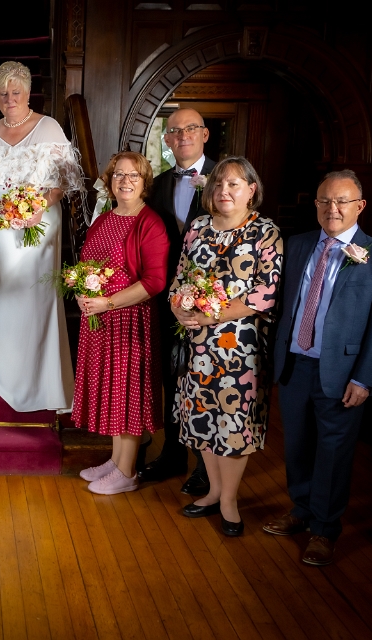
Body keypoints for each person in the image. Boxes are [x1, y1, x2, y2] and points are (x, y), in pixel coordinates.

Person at [264, 170, 372, 566]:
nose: (332, 208)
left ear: (359, 206)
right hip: (294, 365)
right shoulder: (297, 244)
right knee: (297, 445)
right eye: (325, 201)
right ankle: (301, 509)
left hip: (342, 373)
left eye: (342, 201)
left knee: (333, 452)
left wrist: (364, 378)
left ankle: (324, 529)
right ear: (316, 204)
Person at [171, 156, 282, 536]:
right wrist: (178, 307)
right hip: (197, 346)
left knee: (234, 423)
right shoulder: (198, 227)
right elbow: (180, 276)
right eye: (218, 183)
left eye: (234, 184)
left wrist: (209, 317)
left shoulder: (265, 231)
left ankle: (230, 501)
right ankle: (214, 491)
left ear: (251, 190)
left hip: (240, 350)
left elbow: (264, 294)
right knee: (203, 418)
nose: (224, 190)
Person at [0, 61, 81, 412]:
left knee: (37, 299)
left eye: (15, 91)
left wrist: (40, 206)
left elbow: (64, 181)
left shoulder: (48, 127)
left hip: (40, 222)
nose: (9, 98)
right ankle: (9, 378)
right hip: (0, 227)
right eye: (3, 93)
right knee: (5, 301)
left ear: (28, 92)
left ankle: (42, 383)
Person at [74, 152, 170, 494]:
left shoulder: (150, 223)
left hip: (130, 320)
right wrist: (81, 291)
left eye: (133, 176)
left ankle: (128, 471)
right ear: (110, 181)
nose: (125, 181)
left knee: (128, 392)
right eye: (118, 175)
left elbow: (155, 281)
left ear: (144, 182)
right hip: (100, 319)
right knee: (113, 390)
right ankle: (117, 460)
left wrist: (108, 302)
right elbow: (85, 263)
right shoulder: (104, 218)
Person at [141, 107, 217, 496]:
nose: (183, 135)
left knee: (205, 382)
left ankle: (206, 467)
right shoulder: (156, 185)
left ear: (204, 135)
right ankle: (172, 453)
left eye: (191, 128)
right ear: (167, 140)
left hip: (214, 302)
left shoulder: (226, 177)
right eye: (175, 131)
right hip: (167, 297)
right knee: (171, 376)